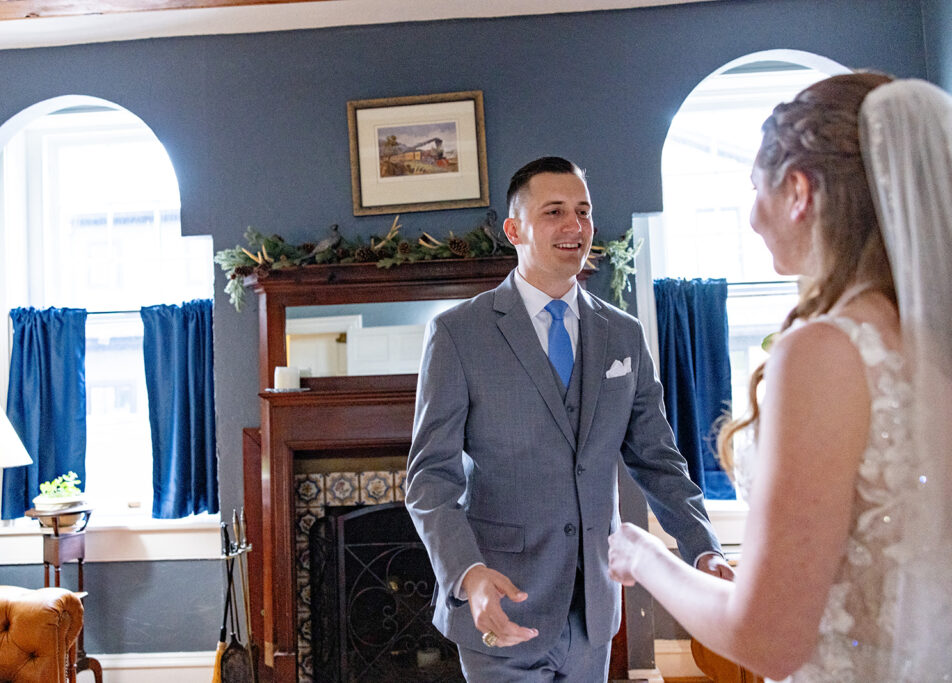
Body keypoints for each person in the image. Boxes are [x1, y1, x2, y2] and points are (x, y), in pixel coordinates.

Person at [607, 73, 952, 682]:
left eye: (754, 189)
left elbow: (765, 638)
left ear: (798, 190)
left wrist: (646, 555)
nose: (750, 217)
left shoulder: (826, 351)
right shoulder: (930, 346)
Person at [405, 156, 733, 681]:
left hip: (595, 610)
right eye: (554, 211)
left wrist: (703, 552)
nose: (574, 226)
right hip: (501, 606)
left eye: (583, 212)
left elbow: (659, 461)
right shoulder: (457, 334)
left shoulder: (624, 335)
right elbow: (429, 479)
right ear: (514, 229)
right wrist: (467, 575)